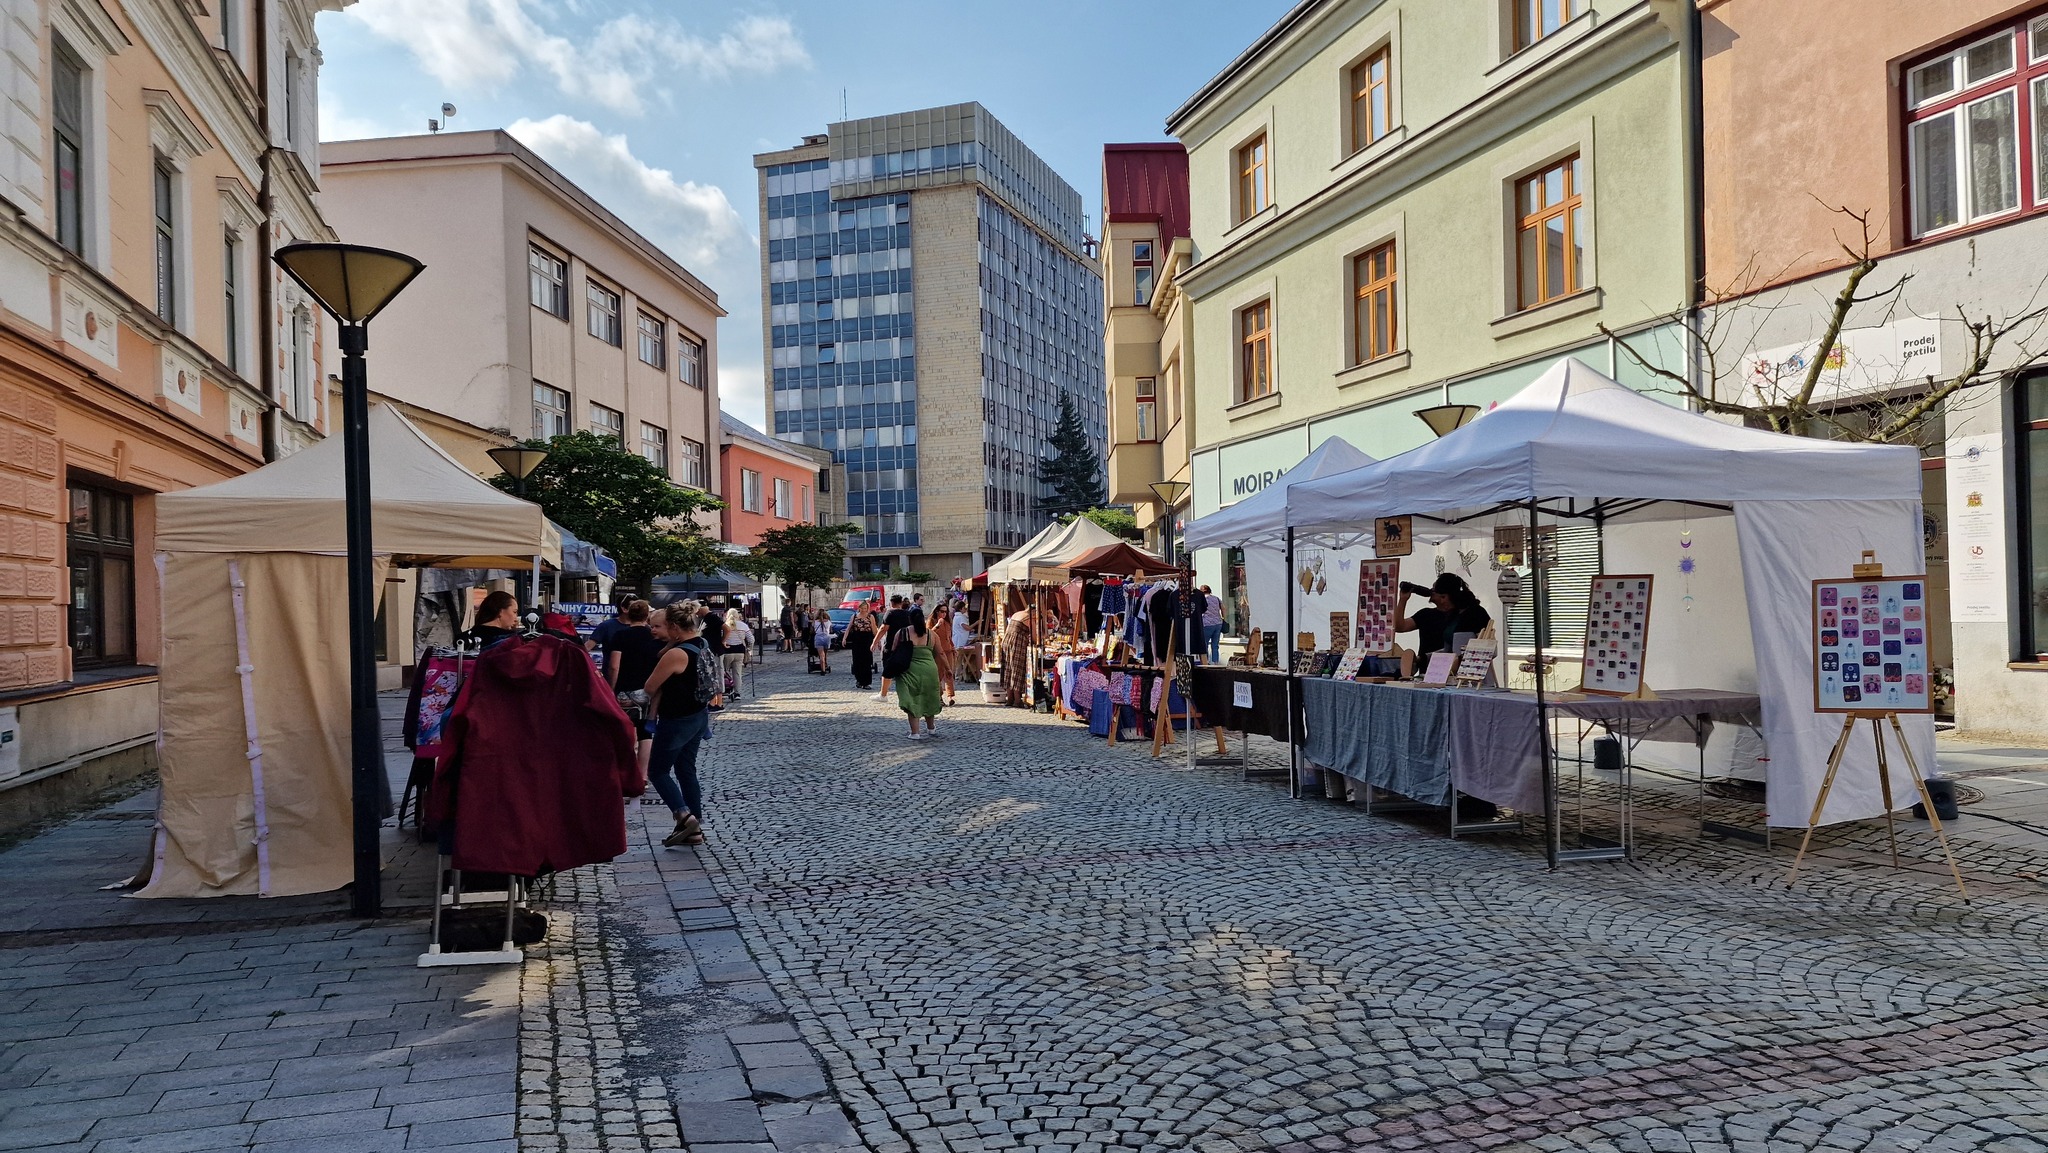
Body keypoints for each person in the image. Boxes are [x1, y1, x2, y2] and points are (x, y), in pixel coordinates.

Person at [644, 601, 721, 847]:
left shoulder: (677, 654)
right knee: (686, 770)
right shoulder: (701, 644)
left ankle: (683, 816)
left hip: (677, 720)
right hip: (698, 716)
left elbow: (650, 687)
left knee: (657, 771)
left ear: (675, 626)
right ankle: (695, 827)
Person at [604, 600, 662, 781]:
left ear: (628, 614)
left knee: (624, 731)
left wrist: (611, 689)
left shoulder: (620, 636)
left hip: (624, 689)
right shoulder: (654, 636)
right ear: (647, 616)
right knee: (645, 733)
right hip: (647, 689)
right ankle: (642, 776)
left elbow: (614, 666)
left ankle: (625, 773)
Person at [1395, 573, 1491, 666]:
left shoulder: (1472, 614)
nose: (1430, 591)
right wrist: (1403, 600)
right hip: (1429, 672)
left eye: (1434, 590)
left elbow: (1487, 645)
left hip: (1460, 673)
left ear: (1444, 597)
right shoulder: (1426, 614)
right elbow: (1400, 627)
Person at [893, 619, 944, 739]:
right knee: (929, 697)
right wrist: (948, 669)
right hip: (929, 670)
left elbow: (894, 650)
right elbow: (940, 653)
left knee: (912, 699)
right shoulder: (932, 634)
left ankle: (915, 732)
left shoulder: (902, 633)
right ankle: (931, 728)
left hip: (908, 670)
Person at [875, 596, 914, 700]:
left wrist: (875, 642)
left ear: (891, 603)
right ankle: (905, 693)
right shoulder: (907, 614)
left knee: (887, 670)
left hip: (891, 645)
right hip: (905, 644)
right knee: (904, 671)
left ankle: (883, 694)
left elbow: (884, 628)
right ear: (900, 603)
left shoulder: (890, 613)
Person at [929, 603, 959, 706]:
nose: (944, 614)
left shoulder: (947, 623)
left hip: (948, 651)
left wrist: (953, 647)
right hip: (937, 651)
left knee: (949, 673)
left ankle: (950, 696)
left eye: (946, 612)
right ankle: (939, 697)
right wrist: (937, 625)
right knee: (938, 674)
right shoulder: (931, 621)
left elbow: (949, 638)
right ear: (937, 611)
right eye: (942, 611)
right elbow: (928, 634)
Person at [845, 604, 879, 691]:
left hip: (867, 640)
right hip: (857, 640)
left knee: (867, 661)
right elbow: (849, 628)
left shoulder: (870, 617)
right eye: (862, 608)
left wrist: (877, 641)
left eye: (865, 608)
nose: (864, 610)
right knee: (857, 661)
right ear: (859, 608)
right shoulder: (854, 616)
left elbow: (874, 629)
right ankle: (859, 680)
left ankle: (866, 682)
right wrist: (844, 639)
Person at [720, 608, 752, 700]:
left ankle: (724, 690)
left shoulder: (725, 625)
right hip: (740, 651)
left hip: (727, 651)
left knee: (724, 671)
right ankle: (737, 693)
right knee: (737, 673)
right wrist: (749, 648)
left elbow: (721, 638)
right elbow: (751, 639)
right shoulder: (743, 626)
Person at [1200, 585, 1225, 663]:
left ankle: (1206, 661)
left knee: (1205, 644)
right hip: (1218, 624)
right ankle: (1215, 662)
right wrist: (1223, 618)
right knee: (1215, 645)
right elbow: (1223, 608)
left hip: (1206, 624)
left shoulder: (1203, 599)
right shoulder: (1216, 598)